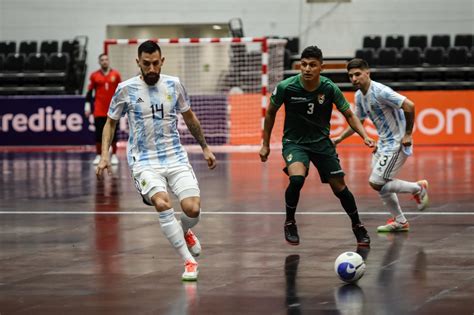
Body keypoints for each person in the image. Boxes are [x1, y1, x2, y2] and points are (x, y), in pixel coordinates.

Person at [96, 40, 217, 281]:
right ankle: (188, 261)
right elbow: (110, 122)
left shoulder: (174, 84)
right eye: (146, 64)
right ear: (138, 63)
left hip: (175, 156)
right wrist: (105, 156)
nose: (151, 69)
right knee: (163, 203)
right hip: (143, 160)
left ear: (162, 62)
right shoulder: (125, 89)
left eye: (155, 64)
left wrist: (205, 147)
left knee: (192, 209)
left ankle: (184, 230)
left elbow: (190, 117)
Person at [259, 46, 375, 247]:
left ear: (322, 67)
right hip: (294, 143)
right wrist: (265, 144)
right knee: (296, 179)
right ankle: (290, 222)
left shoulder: (329, 88)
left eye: (312, 65)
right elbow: (270, 113)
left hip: (322, 143)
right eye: (303, 64)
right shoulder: (287, 87)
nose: (307, 69)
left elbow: (349, 114)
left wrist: (364, 135)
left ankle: (357, 225)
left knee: (339, 188)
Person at [332, 58, 429, 233]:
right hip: (382, 143)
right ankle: (400, 221)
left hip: (397, 144)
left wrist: (407, 133)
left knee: (376, 183)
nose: (354, 79)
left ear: (367, 73)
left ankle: (418, 188)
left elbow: (409, 105)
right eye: (350, 76)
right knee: (383, 184)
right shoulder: (359, 96)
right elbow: (358, 121)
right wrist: (339, 139)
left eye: (357, 74)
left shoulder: (381, 91)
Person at [85, 54, 122, 165]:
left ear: (109, 61)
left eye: (106, 59)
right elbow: (89, 92)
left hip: (113, 110)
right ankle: (99, 155)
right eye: (102, 60)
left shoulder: (116, 74)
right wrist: (87, 106)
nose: (104, 61)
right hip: (99, 110)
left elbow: (120, 92)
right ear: (99, 62)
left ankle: (114, 155)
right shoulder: (94, 76)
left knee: (114, 133)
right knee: (99, 133)